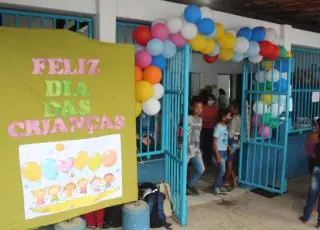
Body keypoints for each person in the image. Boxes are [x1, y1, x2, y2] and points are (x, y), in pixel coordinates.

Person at [187, 96, 205, 195]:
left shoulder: (200, 119)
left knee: (201, 169)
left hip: (195, 149)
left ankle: (190, 185)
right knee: (183, 169)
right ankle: (183, 187)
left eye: (201, 107)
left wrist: (198, 148)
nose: (199, 110)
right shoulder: (186, 118)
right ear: (192, 107)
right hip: (186, 148)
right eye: (197, 107)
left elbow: (198, 134)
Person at [300, 137, 320, 228]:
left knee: (312, 195)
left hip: (317, 170)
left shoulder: (317, 145)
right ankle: (319, 222)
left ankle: (306, 217)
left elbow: (313, 156)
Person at [212, 109, 232, 196]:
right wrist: (217, 155)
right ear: (223, 117)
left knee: (221, 170)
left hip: (224, 151)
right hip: (219, 151)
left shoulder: (224, 126)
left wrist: (228, 147)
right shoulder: (218, 127)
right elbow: (214, 142)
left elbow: (224, 139)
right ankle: (216, 187)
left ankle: (219, 186)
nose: (230, 117)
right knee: (222, 170)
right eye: (229, 116)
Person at [225, 101, 241, 189]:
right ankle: (234, 178)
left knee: (229, 160)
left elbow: (230, 133)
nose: (229, 108)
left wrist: (227, 142)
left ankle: (227, 180)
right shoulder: (242, 117)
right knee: (235, 161)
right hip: (238, 141)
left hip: (232, 141)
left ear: (236, 109)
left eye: (231, 107)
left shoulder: (234, 118)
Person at [200, 94, 219, 167]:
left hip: (212, 129)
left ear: (214, 100)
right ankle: (205, 159)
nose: (210, 101)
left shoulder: (216, 108)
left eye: (211, 99)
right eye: (209, 99)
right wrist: (210, 119)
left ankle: (209, 160)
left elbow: (216, 118)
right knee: (205, 144)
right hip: (204, 128)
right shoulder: (203, 107)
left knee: (211, 145)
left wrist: (206, 119)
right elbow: (202, 117)